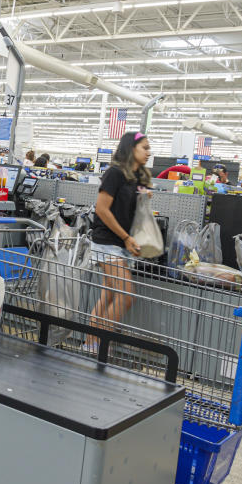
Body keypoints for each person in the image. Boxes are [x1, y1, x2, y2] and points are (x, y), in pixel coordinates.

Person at [85, 132, 152, 350]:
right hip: (107, 241)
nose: (148, 152)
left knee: (109, 295)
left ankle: (90, 345)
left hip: (122, 243)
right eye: (144, 147)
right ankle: (100, 344)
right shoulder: (114, 173)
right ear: (130, 149)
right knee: (126, 296)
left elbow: (130, 203)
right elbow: (102, 209)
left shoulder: (136, 177)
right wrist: (126, 237)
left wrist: (144, 198)